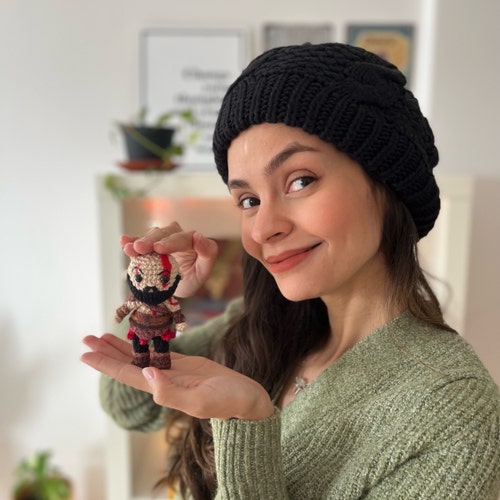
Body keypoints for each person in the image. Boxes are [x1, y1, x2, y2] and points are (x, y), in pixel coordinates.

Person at [82, 43, 500, 499]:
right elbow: (129, 405)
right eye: (248, 200)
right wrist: (157, 296)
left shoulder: (454, 412)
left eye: (301, 181)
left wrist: (246, 423)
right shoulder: (263, 323)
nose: (264, 228)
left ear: (386, 182)